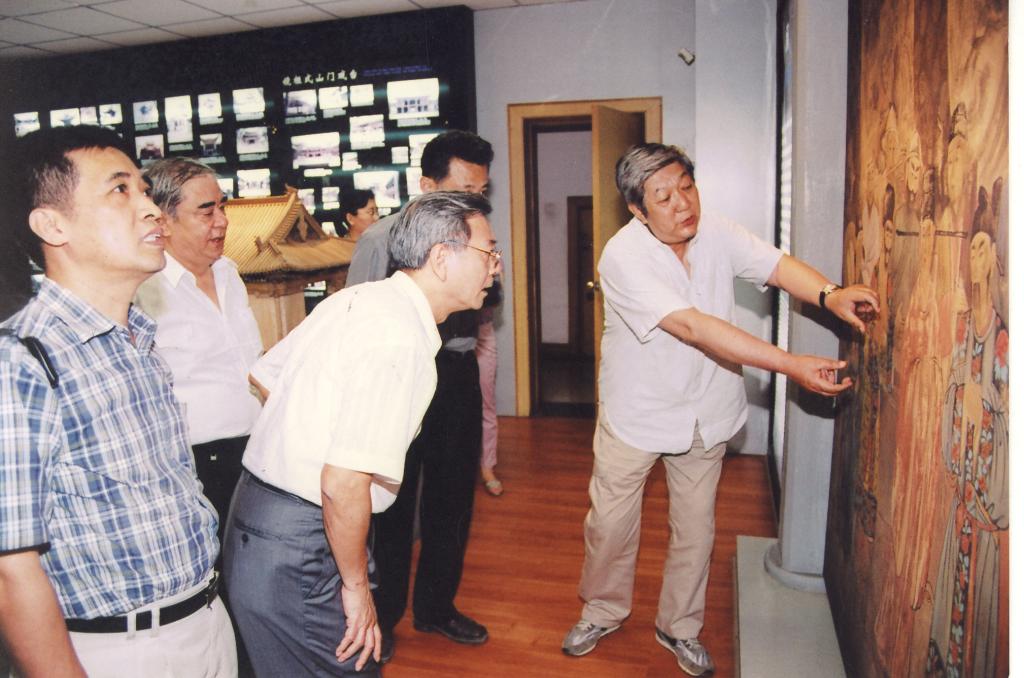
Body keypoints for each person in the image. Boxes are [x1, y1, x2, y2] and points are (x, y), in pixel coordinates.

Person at [561, 143, 879, 676]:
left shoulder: (716, 232)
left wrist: (830, 294)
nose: (682, 203)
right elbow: (693, 327)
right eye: (663, 197)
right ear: (638, 210)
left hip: (707, 411)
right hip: (637, 414)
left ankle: (679, 627)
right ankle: (602, 610)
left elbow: (776, 266)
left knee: (696, 528)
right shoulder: (622, 256)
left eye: (687, 186)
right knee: (611, 525)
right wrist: (790, 365)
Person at [223, 191, 501, 677]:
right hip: (301, 539)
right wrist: (356, 588)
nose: (496, 267)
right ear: (442, 258)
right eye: (488, 252)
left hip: (260, 520)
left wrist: (305, 443)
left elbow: (266, 377)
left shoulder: (358, 299)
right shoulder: (400, 340)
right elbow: (342, 482)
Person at [0, 126, 235, 677]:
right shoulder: (22, 360)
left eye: (145, 191)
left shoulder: (138, 340)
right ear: (52, 225)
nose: (150, 209)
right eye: (120, 190)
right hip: (120, 651)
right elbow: (11, 569)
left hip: (204, 621)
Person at [345, 130, 494, 659]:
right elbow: (355, 317)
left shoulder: (476, 235)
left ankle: (437, 607)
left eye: (481, 191)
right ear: (427, 185)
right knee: (392, 501)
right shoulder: (380, 239)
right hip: (399, 376)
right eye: (464, 189)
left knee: (452, 500)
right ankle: (383, 617)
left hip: (455, 372)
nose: (474, 201)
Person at [135, 157, 263, 554]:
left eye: (222, 206)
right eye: (206, 211)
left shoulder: (229, 272)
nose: (222, 221)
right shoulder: (144, 289)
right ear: (164, 220)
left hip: (255, 450)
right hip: (196, 465)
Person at [477, 279, 503, 496]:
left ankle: (487, 467)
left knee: (487, 405)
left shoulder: (492, 261)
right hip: (449, 338)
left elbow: (496, 298)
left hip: (482, 335)